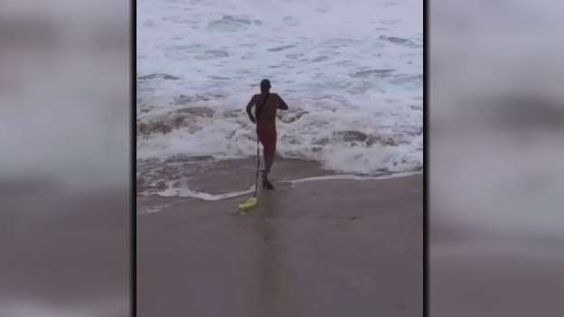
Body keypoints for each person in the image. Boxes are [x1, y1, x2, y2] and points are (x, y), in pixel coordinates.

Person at [245, 79, 289, 189]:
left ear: (260, 87)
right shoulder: (275, 97)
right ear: (269, 87)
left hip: (260, 129)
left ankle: (265, 172)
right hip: (270, 129)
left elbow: (248, 108)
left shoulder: (256, 97)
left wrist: (251, 117)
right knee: (271, 152)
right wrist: (275, 106)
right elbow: (285, 106)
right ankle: (266, 174)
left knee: (266, 149)